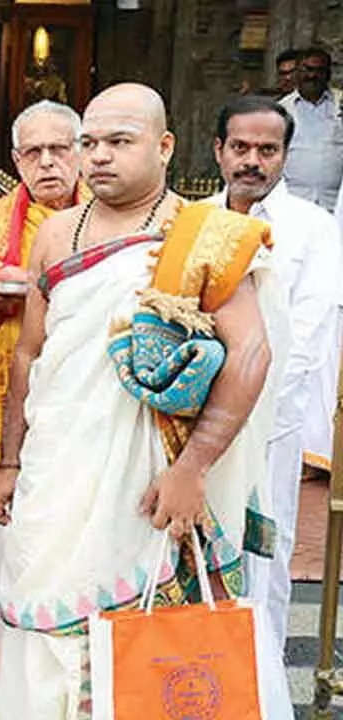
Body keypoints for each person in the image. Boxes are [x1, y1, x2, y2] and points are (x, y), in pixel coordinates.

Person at [0, 83, 292, 717]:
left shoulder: (205, 233)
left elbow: (251, 354)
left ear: (165, 146)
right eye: (90, 143)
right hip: (56, 476)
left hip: (150, 485)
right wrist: (10, 461)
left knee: (149, 642)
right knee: (42, 627)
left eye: (119, 142)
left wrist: (193, 467)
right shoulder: (56, 234)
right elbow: (29, 355)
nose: (99, 157)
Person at [0, 98, 85, 718]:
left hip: (87, 417)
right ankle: (2, 698)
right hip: (11, 409)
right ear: (15, 161)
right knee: (7, 564)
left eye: (61, 148)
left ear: (82, 150)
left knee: (80, 561)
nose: (48, 162)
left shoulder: (106, 218)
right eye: (33, 152)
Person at [207, 96, 342, 654]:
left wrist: (244, 413)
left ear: (285, 156)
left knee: (265, 550)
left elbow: (306, 338)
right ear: (218, 151)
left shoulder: (313, 228)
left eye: (268, 150)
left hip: (270, 422)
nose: (252, 162)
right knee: (199, 549)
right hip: (192, 422)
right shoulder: (196, 222)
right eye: (241, 148)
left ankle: (260, 682)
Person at [279, 47, 343, 210]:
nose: (313, 76)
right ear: (297, 72)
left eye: (320, 70)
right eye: (308, 69)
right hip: (292, 202)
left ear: (328, 74)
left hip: (334, 203)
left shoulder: (340, 104)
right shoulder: (281, 110)